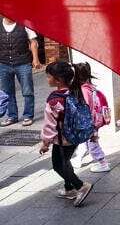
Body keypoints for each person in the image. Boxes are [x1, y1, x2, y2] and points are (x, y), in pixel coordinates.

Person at [39, 60, 93, 207]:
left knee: (58, 165)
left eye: (49, 77)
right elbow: (89, 110)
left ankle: (80, 186)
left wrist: (45, 143)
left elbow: (50, 125)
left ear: (58, 80)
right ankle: (69, 189)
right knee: (66, 162)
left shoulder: (54, 100)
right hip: (76, 136)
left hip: (62, 139)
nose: (47, 79)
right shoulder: (78, 91)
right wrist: (92, 131)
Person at [0, 16, 42, 127]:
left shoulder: (25, 22)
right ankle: (12, 116)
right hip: (3, 63)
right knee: (7, 92)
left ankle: (28, 116)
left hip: (23, 62)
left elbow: (33, 41)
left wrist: (35, 59)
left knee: (27, 91)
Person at [70, 62, 111, 173]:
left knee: (92, 143)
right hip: (92, 121)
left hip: (89, 122)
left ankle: (103, 163)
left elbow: (86, 109)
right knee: (86, 141)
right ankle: (78, 159)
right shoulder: (90, 87)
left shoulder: (83, 90)